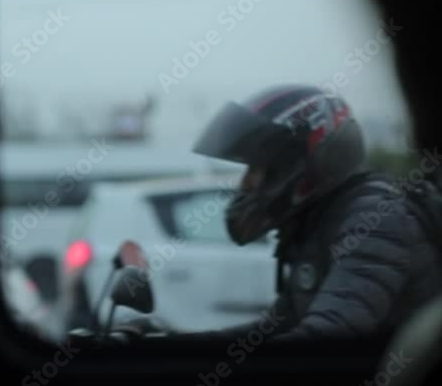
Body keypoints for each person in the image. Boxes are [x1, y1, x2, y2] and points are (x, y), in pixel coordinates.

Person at [114, 84, 442, 342]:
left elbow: (324, 342)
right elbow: (273, 331)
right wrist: (164, 343)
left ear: (304, 164)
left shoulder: (374, 219)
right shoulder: (318, 224)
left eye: (257, 168)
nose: (245, 183)